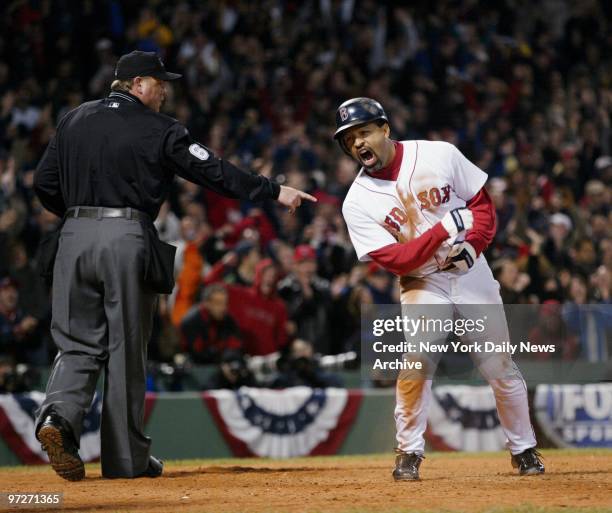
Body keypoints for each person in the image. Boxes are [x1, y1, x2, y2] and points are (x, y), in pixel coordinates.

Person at [33, 50, 315, 481]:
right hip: (125, 236)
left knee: (76, 344)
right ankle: (125, 459)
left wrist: (78, 215)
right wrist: (273, 191)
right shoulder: (159, 127)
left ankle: (57, 418)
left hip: (72, 235)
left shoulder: (73, 119)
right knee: (125, 349)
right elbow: (212, 171)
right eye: (159, 82)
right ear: (136, 84)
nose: (165, 90)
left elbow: (43, 184)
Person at [335, 97, 544, 481]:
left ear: (385, 128)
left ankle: (524, 449)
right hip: (421, 281)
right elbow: (397, 260)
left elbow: (482, 206)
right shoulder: (357, 202)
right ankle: (409, 452)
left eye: (363, 132)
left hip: (470, 272)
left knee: (499, 365)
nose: (357, 143)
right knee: (416, 365)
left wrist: (474, 246)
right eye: (349, 140)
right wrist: (445, 230)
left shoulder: (438, 155)